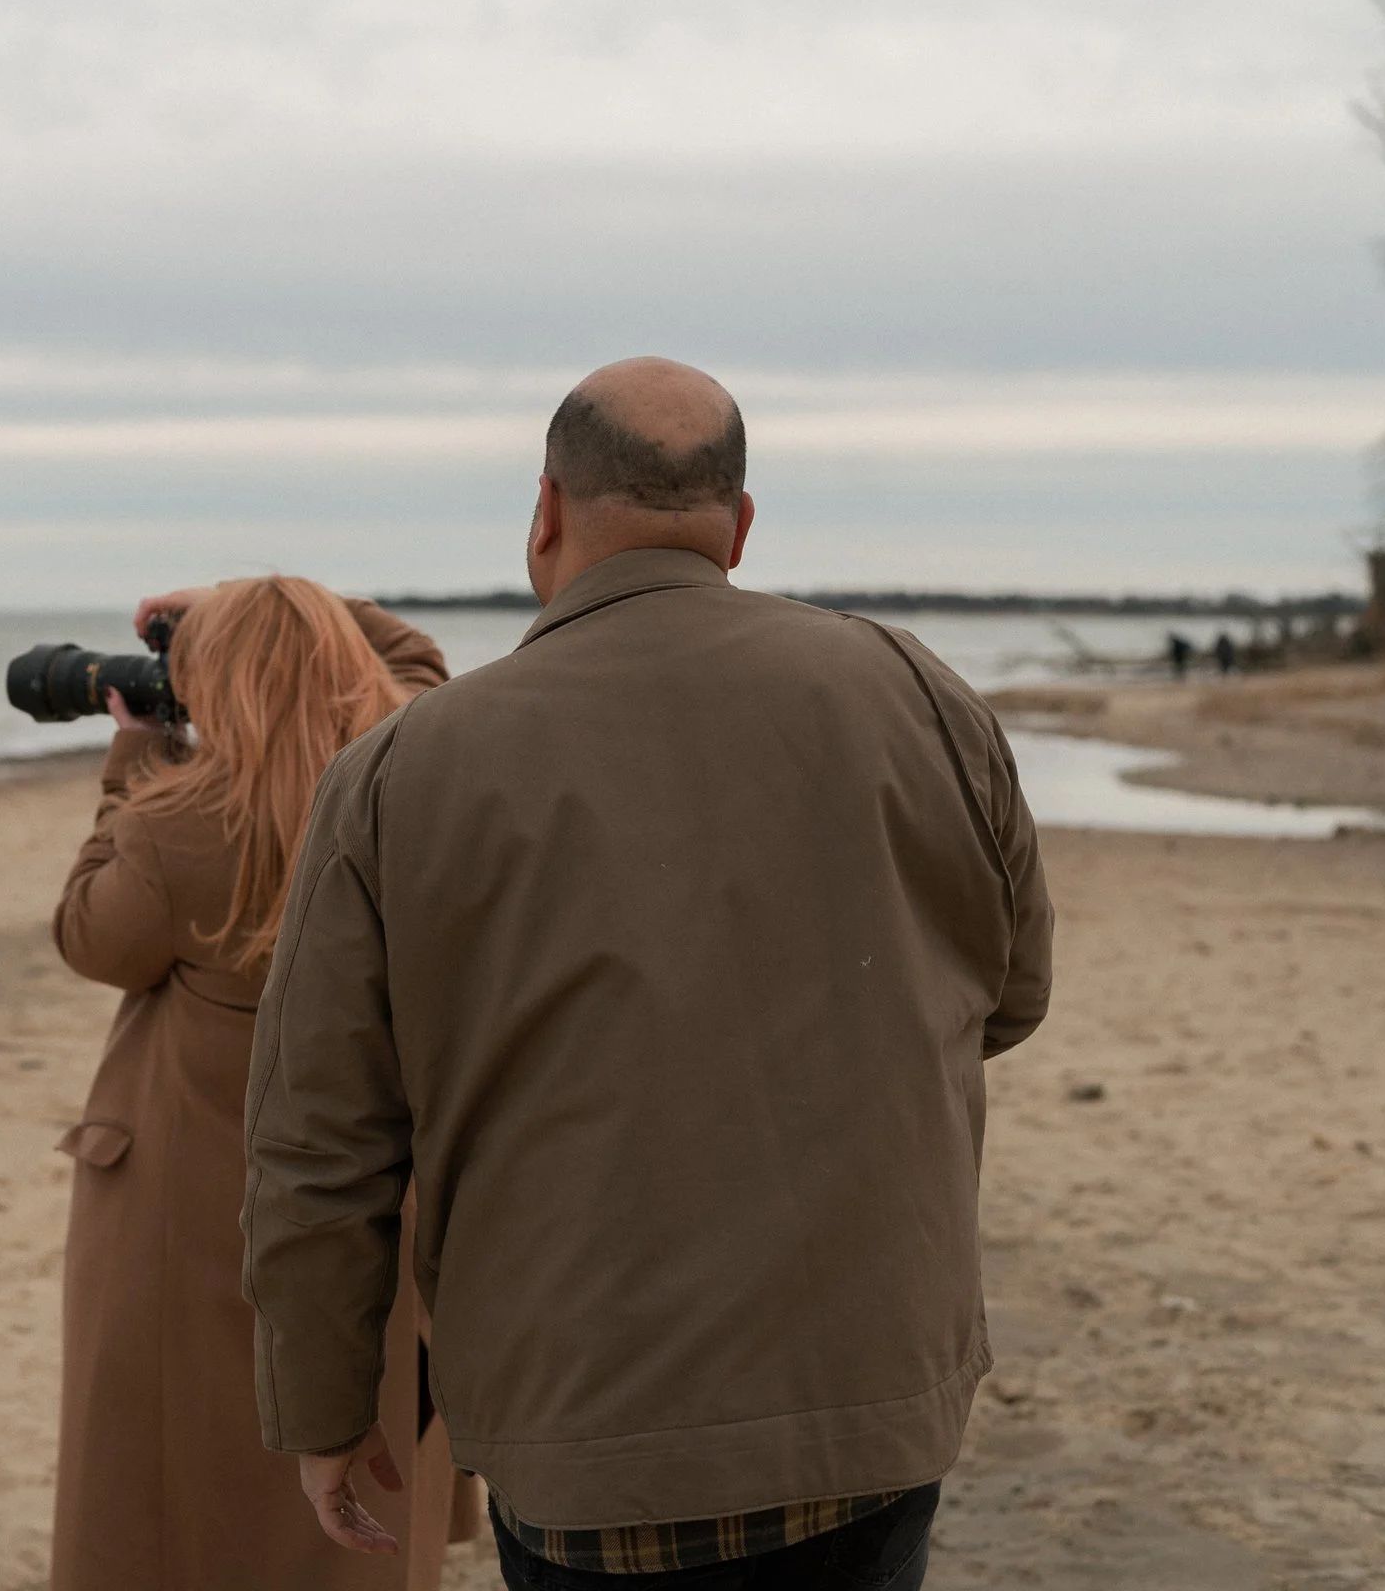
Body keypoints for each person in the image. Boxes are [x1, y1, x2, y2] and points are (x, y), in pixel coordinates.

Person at [242, 359, 1054, 1590]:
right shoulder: (916, 692)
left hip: (583, 1419)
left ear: (546, 512)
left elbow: (319, 1137)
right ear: (736, 525)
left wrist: (322, 1403)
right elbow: (1011, 991)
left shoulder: (400, 773)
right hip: (866, 1398)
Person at [49, 575, 462, 1591]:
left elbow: (87, 932)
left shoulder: (175, 827)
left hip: (188, 1212)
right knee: (351, 1457)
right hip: (372, 1192)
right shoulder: (407, 770)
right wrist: (294, 598)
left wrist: (133, 749)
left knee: (176, 1484)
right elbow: (414, 655)